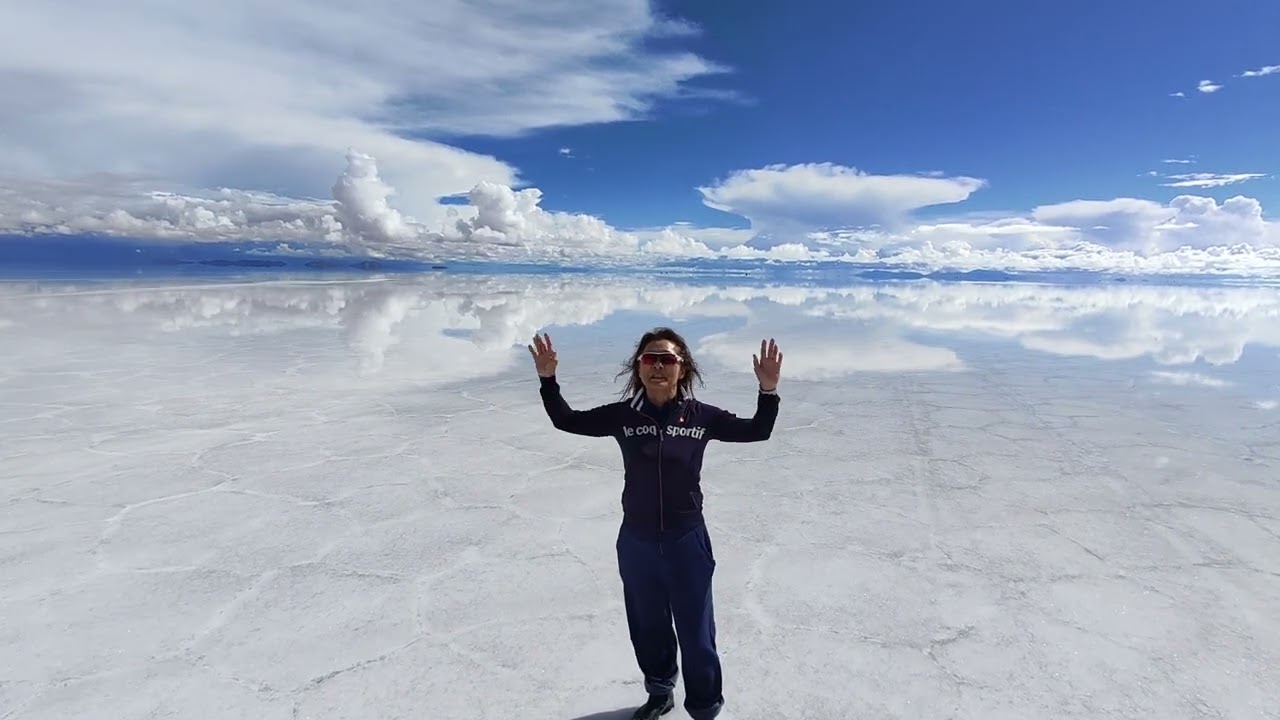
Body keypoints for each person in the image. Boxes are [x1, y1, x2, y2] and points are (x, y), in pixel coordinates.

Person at [528, 327, 782, 720]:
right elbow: (566, 420)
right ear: (639, 367)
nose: (658, 366)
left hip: (687, 543)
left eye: (667, 359)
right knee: (648, 627)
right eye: (650, 358)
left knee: (697, 635)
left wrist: (768, 392)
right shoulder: (623, 415)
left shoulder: (702, 417)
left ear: (683, 368)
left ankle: (704, 708)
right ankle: (660, 693)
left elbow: (758, 431)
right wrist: (548, 381)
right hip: (637, 543)